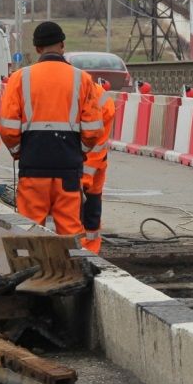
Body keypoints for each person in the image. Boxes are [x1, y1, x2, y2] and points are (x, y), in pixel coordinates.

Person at [0, 21, 104, 236]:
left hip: (33, 166)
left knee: (30, 230)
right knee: (70, 229)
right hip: (68, 167)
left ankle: (33, 268)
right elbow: (93, 130)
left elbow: (8, 128)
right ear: (62, 45)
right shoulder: (82, 79)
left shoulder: (20, 78)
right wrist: (78, 151)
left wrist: (19, 151)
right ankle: (72, 266)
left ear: (37, 49)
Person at [80, 78, 116, 253]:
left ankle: (89, 255)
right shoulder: (101, 97)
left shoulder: (101, 100)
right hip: (79, 170)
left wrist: (82, 181)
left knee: (90, 218)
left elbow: (96, 146)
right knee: (87, 217)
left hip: (88, 171)